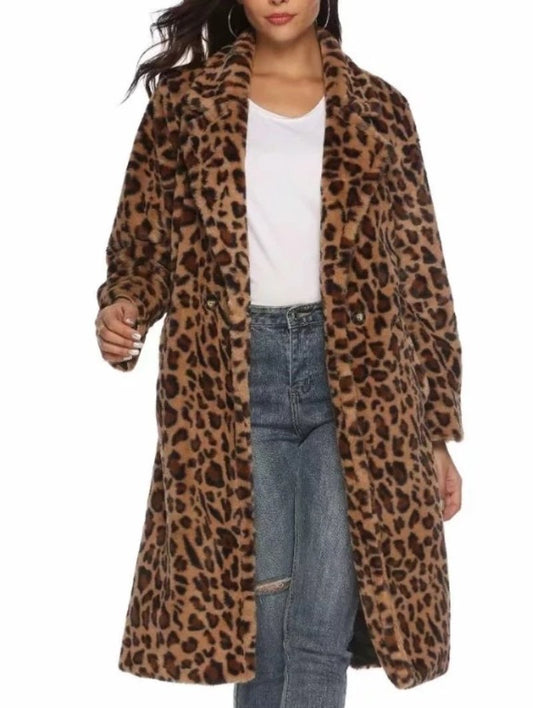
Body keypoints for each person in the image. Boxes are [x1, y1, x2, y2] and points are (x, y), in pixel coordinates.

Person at [94, 1, 464, 705]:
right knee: (261, 635)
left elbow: (422, 277)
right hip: (230, 383)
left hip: (363, 389)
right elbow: (140, 249)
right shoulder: (185, 105)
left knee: (320, 630)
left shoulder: (381, 109)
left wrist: (437, 433)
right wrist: (123, 306)